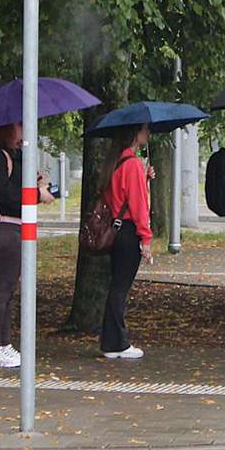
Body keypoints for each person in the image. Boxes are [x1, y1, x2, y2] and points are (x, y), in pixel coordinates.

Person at [0, 122, 53, 368]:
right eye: (20, 126)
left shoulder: (11, 157)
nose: (24, 131)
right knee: (3, 288)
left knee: (7, 289)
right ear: (7, 129)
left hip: (10, 227)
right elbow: (4, 192)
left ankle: (3, 344)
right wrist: (35, 194)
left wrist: (36, 184)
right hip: (3, 228)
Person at [99, 124, 153, 359]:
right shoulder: (132, 164)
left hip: (116, 229)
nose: (148, 133)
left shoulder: (116, 162)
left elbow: (120, 197)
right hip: (129, 231)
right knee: (120, 288)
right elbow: (138, 204)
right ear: (135, 134)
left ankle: (111, 341)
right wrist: (146, 237)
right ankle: (117, 342)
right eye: (145, 130)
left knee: (117, 285)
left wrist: (144, 178)